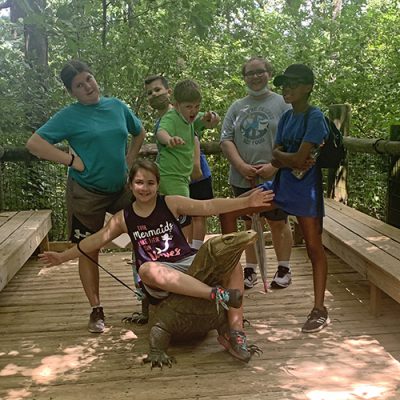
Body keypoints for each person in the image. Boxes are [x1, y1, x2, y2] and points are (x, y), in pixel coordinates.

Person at [39, 159, 275, 361]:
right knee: (147, 269)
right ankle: (216, 295)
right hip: (160, 276)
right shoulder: (124, 218)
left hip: (186, 264)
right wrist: (62, 257)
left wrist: (246, 202)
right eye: (139, 182)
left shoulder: (170, 203)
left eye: (150, 183)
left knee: (233, 263)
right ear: (131, 185)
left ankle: (235, 332)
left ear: (157, 185)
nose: (145, 188)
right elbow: (94, 241)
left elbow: (208, 206)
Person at [25, 60, 146, 334]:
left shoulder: (117, 106)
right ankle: (96, 310)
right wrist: (70, 160)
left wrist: (130, 160)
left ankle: (149, 298)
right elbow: (34, 144)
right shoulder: (69, 116)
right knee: (88, 249)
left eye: (88, 79)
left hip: (122, 189)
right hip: (86, 193)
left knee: (145, 238)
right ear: (72, 93)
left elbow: (138, 133)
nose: (88, 86)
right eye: (79, 85)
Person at [220, 63, 330, 333]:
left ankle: (319, 308)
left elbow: (295, 157)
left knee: (314, 246)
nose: (287, 89)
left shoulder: (314, 117)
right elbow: (278, 155)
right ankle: (230, 290)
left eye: (293, 84)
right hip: (281, 185)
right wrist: (289, 158)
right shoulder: (288, 117)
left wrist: (289, 157)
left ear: (308, 87)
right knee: (230, 212)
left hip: (306, 192)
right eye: (284, 84)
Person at [220, 56, 293, 290]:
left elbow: (292, 138)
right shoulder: (237, 106)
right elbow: (226, 139)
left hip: (276, 176)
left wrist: (274, 165)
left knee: (278, 221)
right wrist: (241, 165)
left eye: (259, 71)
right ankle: (250, 269)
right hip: (244, 176)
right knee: (248, 223)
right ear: (244, 78)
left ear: (269, 73)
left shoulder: (283, 103)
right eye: (249, 73)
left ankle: (283, 268)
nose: (255, 77)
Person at [146, 76, 218, 240]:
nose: (193, 110)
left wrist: (212, 117)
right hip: (171, 177)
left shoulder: (188, 118)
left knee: (184, 215)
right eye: (189, 107)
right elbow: (161, 133)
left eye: (197, 106)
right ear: (177, 105)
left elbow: (206, 121)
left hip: (183, 177)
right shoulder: (171, 118)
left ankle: (184, 250)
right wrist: (169, 140)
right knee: (183, 216)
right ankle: (182, 252)